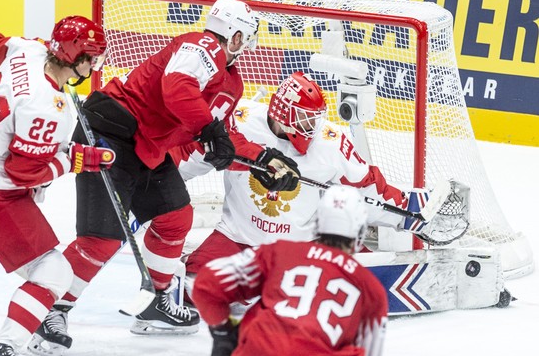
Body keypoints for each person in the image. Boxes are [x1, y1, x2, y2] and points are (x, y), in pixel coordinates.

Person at [29, 0, 300, 356]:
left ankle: (156, 303)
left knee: (175, 216)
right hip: (111, 131)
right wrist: (208, 129)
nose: (248, 46)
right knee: (101, 239)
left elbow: (223, 139)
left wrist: (263, 161)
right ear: (235, 36)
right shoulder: (200, 45)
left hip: (147, 149)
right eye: (246, 37)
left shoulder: (230, 83)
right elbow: (177, 87)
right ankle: (49, 310)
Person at [180, 71, 435, 293]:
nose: (313, 127)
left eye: (315, 118)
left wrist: (408, 214)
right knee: (194, 286)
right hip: (238, 239)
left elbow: (368, 188)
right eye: (305, 119)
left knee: (365, 285)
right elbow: (193, 155)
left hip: (305, 246)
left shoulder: (330, 141)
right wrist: (159, 183)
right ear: (282, 113)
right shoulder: (240, 121)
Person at [0, 16, 110, 356]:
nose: (94, 64)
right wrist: (75, 160)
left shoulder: (26, 50)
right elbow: (22, 172)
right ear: (76, 57)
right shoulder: (45, 106)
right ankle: (3, 352)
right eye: (91, 56)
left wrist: (28, 43)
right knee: (54, 272)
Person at [193, 185, 388, 356]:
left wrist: (223, 333)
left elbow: (207, 284)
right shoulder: (370, 288)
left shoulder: (279, 252)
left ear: (318, 223)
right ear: (360, 233)